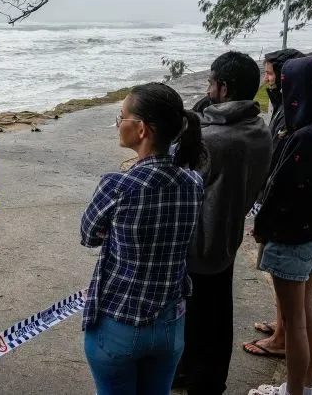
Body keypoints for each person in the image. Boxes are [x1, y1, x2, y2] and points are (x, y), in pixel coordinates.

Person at [81, 82, 205, 395]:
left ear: (142, 130)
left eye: (121, 117)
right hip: (170, 323)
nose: (117, 124)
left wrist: (116, 229)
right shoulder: (192, 181)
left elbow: (88, 235)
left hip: (119, 323)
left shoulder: (118, 186)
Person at [178, 51, 273, 395]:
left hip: (199, 241)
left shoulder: (215, 140)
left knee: (196, 317)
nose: (206, 87)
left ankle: (199, 379)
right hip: (227, 237)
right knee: (217, 313)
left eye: (210, 82)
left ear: (223, 87)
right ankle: (204, 376)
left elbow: (180, 170)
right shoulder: (257, 129)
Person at [249, 56, 312, 395]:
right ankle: (305, 387)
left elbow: (280, 191)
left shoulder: (305, 136)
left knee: (295, 324)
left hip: (291, 239)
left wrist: (261, 226)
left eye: (286, 84)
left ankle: (293, 392)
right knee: (307, 316)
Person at [244, 48, 304, 360]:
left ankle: (282, 337)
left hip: (281, 211)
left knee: (282, 272)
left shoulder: (293, 115)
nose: (265, 80)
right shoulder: (289, 106)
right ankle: (281, 324)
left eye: (269, 74)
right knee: (280, 275)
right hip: (280, 207)